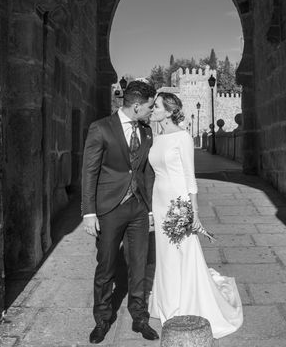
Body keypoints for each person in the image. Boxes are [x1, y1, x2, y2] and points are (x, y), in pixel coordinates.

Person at [147, 92, 243, 338]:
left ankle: (184, 302)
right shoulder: (156, 137)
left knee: (182, 251)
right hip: (159, 201)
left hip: (178, 201)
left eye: (156, 106)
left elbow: (190, 178)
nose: (152, 109)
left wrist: (194, 213)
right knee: (164, 252)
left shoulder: (183, 137)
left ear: (169, 112)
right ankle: (166, 300)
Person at [81, 81, 159, 344]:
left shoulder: (147, 132)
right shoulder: (101, 128)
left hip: (138, 208)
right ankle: (103, 319)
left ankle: (139, 316)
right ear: (136, 105)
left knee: (139, 264)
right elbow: (89, 171)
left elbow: (146, 171)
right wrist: (88, 213)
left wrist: (149, 209)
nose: (151, 111)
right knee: (106, 265)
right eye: (149, 106)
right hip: (109, 208)